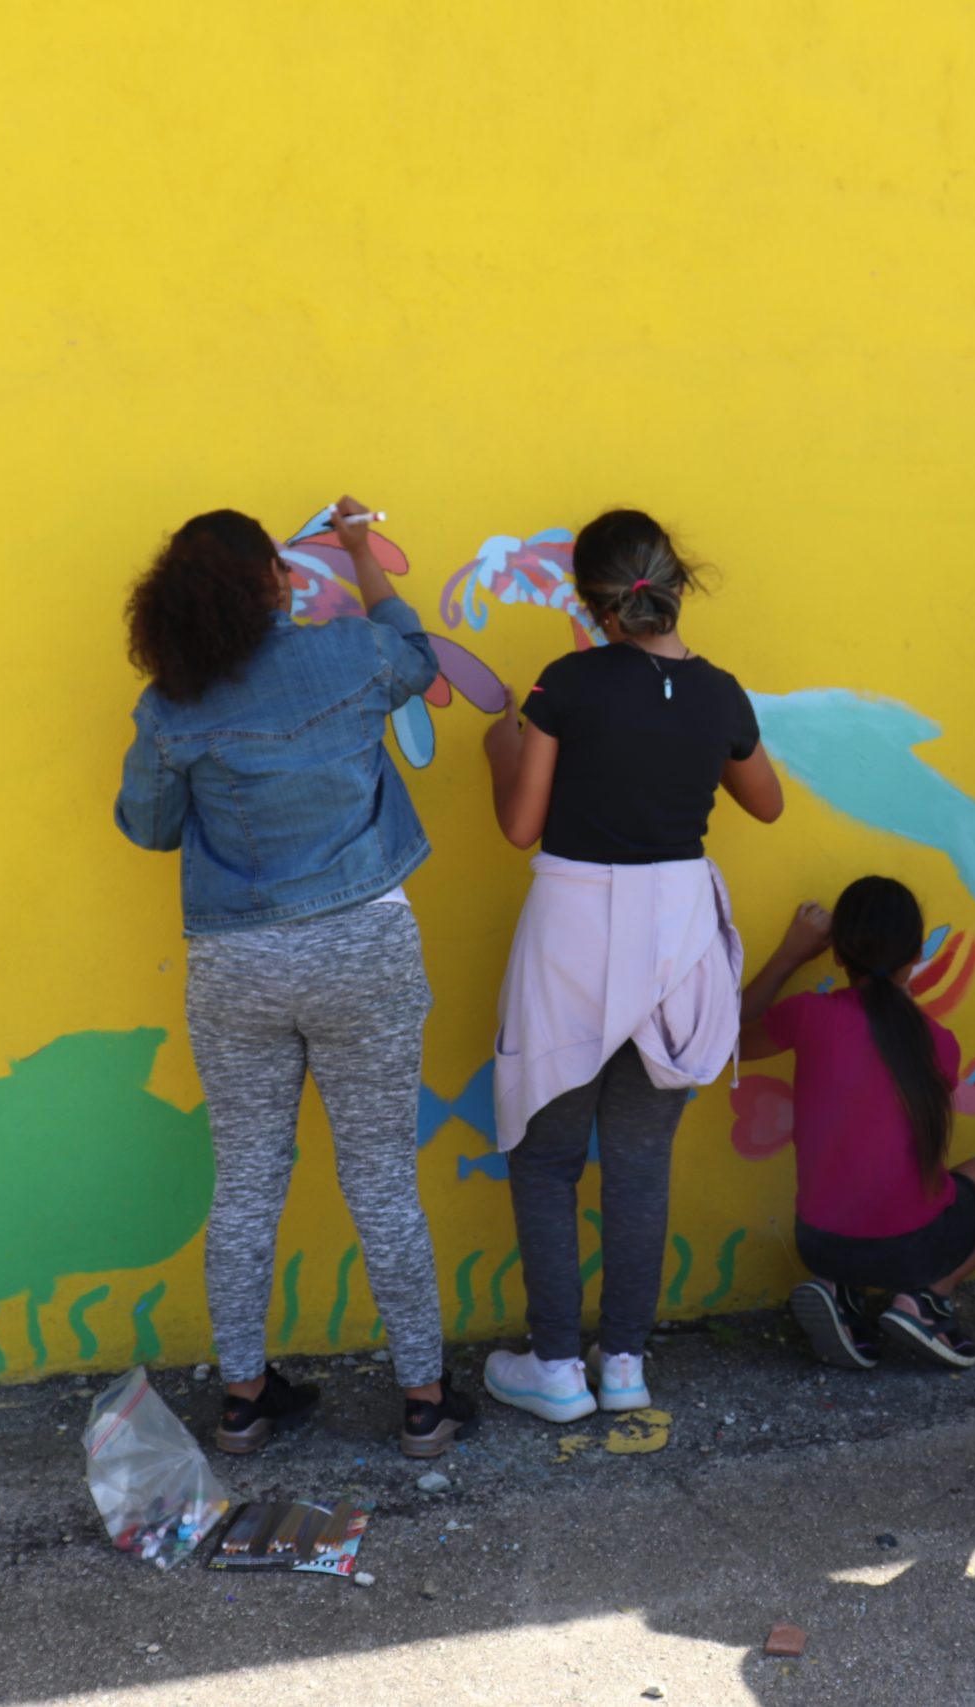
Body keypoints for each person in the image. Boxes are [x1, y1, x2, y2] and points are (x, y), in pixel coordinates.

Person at [114, 498, 473, 1458]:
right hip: (364, 948)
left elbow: (147, 827)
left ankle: (243, 1400)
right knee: (383, 1179)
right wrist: (360, 549)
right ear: (277, 581)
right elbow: (417, 656)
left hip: (236, 965)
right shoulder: (351, 655)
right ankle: (425, 1401)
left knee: (245, 1185)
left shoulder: (169, 708)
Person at [478, 509, 785, 1423]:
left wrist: (502, 749)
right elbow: (764, 802)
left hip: (573, 926)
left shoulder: (563, 685)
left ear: (592, 599)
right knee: (641, 1162)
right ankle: (625, 1368)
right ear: (677, 583)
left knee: (547, 1158)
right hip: (676, 935)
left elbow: (520, 826)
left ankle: (556, 1368)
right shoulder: (720, 692)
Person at [738, 878, 975, 1369]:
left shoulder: (806, 1015)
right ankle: (925, 1300)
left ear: (837, 955)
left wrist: (788, 956)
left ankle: (840, 1290)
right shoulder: (938, 1043)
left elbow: (726, 1040)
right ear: (919, 952)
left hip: (818, 1245)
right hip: (909, 1251)